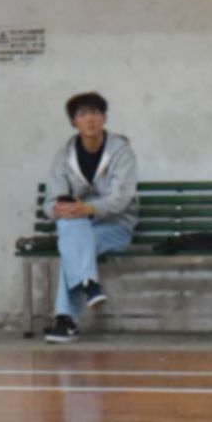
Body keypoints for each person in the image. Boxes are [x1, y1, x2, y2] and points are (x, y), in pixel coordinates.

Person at [38, 93, 139, 343]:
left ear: (104, 118)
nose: (90, 119)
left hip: (115, 227)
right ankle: (88, 284)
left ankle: (66, 319)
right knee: (70, 227)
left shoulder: (122, 152)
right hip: (77, 226)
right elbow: (50, 202)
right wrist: (59, 209)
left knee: (72, 246)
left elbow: (120, 199)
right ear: (74, 122)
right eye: (83, 114)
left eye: (95, 112)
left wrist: (88, 208)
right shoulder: (64, 156)